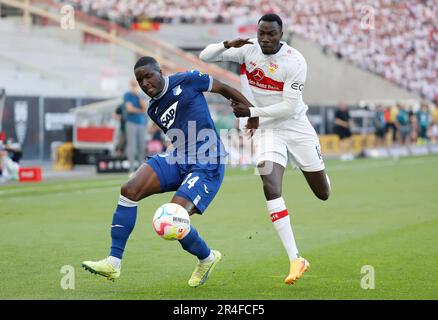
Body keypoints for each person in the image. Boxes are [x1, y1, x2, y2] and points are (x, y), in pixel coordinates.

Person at [82, 56, 256, 287]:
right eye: (139, 79)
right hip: (180, 156)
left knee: (173, 218)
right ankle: (113, 262)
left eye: (148, 76)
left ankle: (207, 258)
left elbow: (224, 88)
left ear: (160, 72)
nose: (144, 83)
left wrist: (252, 115)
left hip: (207, 160)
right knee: (129, 189)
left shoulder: (189, 80)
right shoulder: (154, 109)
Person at [200, 13, 330, 285]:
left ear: (281, 34)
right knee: (270, 185)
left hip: (295, 126)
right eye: (261, 33)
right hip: (268, 131)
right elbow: (205, 56)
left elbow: (290, 106)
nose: (265, 39)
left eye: (271, 34)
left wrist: (252, 111)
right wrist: (226, 44)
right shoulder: (247, 49)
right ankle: (296, 258)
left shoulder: (295, 61)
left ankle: (315, 167)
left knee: (322, 193)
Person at [124, 79, 148, 173]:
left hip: (141, 124)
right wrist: (140, 111)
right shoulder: (128, 95)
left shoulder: (140, 95)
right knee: (132, 146)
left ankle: (141, 169)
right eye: (133, 84)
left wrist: (138, 96)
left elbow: (145, 107)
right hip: (131, 122)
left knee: (142, 146)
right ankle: (131, 169)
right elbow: (129, 109)